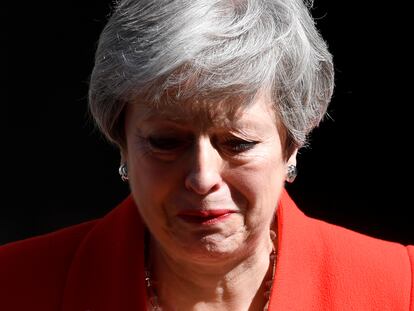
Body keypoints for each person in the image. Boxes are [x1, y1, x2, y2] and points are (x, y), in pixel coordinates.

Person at [1, 0, 413, 310]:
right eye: (166, 142)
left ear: (291, 143)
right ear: (121, 140)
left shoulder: (400, 287)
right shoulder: (14, 285)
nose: (201, 178)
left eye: (237, 143)